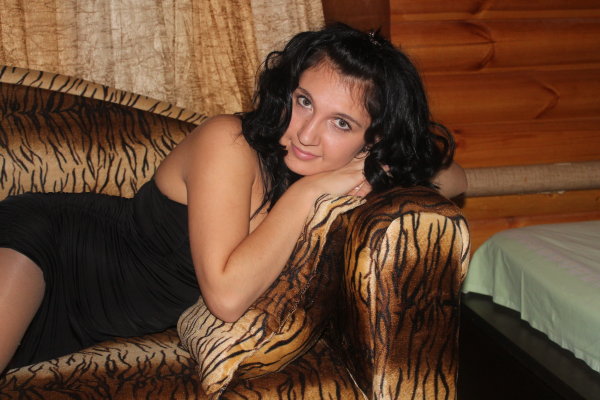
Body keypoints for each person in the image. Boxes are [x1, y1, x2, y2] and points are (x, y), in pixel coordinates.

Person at [0, 23, 467, 373]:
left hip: (101, 313)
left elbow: (455, 178)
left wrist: (384, 163)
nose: (306, 133)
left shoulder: (340, 164)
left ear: (373, 138)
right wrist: (312, 190)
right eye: (304, 101)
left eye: (340, 123)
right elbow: (226, 296)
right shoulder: (230, 142)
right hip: (49, 250)